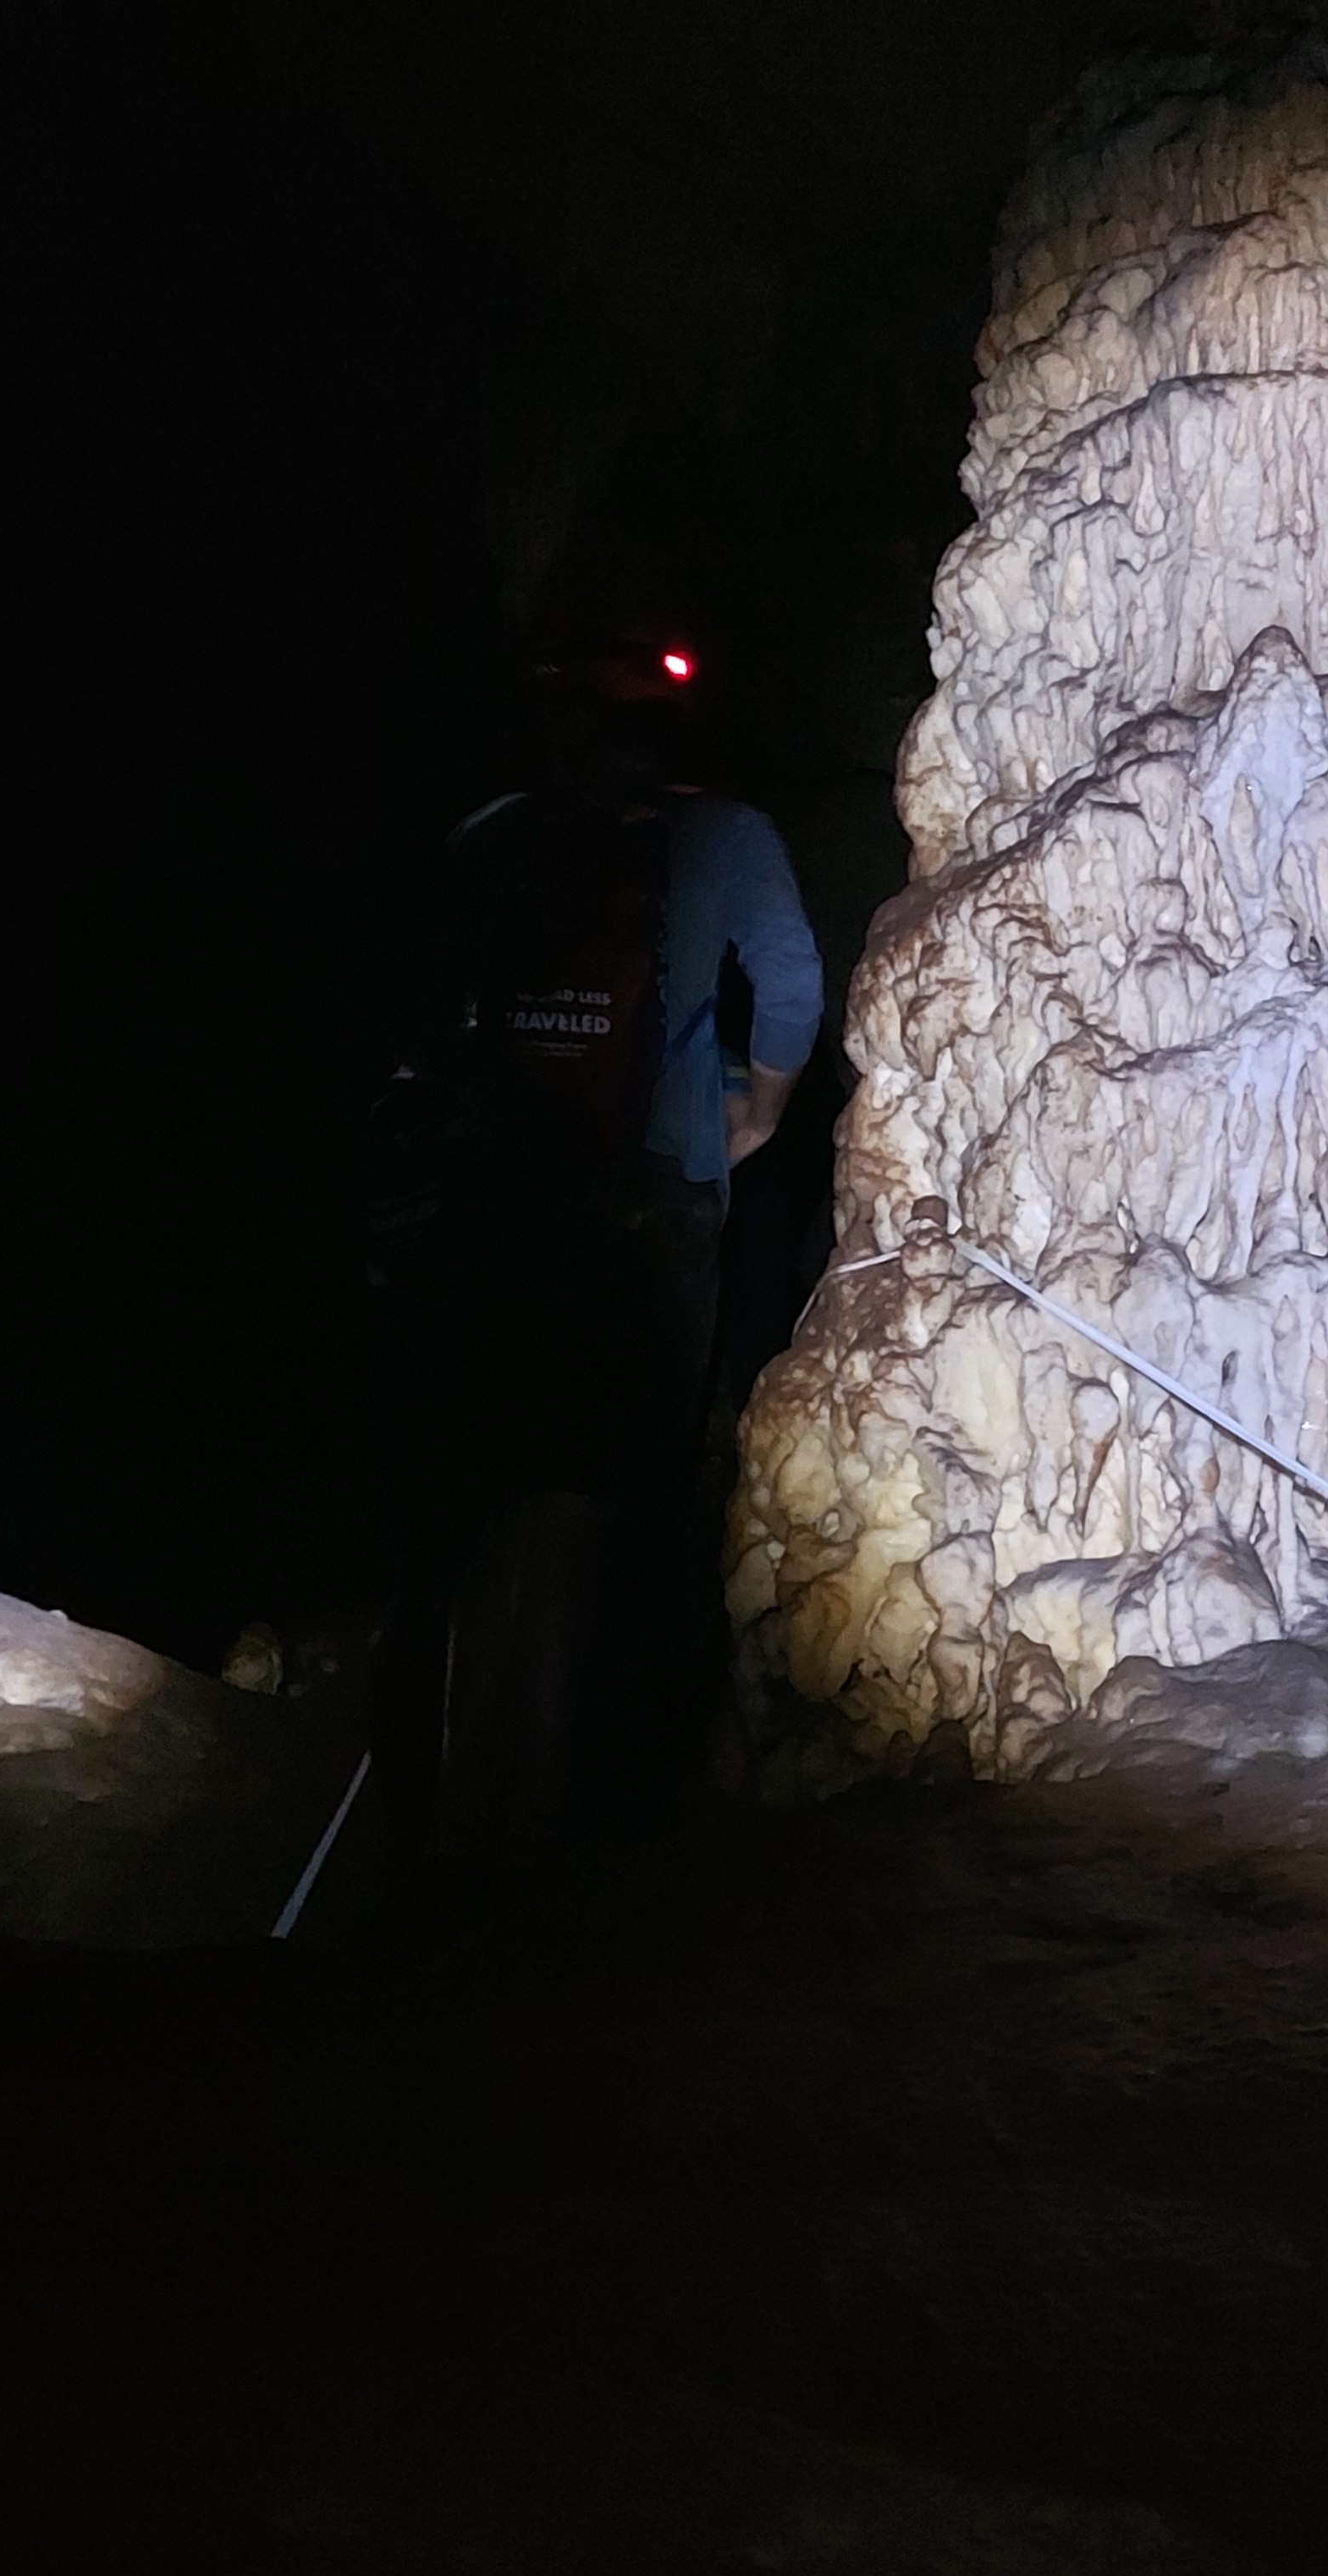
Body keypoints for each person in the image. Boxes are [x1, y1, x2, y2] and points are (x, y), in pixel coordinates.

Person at [366, 626, 824, 1829]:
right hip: (653, 1196)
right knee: (628, 1489)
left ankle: (449, 1775)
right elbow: (788, 984)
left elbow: (417, 1014)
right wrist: (757, 1110)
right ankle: (589, 1784)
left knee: (491, 1480)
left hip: (496, 1205)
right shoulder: (726, 836)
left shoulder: (495, 834)